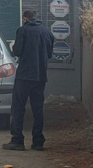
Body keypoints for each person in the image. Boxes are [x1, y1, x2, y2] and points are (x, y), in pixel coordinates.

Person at [3, 10, 55, 151]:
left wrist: (14, 47)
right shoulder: (47, 33)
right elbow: (49, 54)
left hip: (24, 76)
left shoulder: (23, 30)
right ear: (37, 18)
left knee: (18, 108)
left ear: (25, 18)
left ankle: (17, 140)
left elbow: (18, 51)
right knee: (38, 109)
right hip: (40, 76)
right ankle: (38, 141)